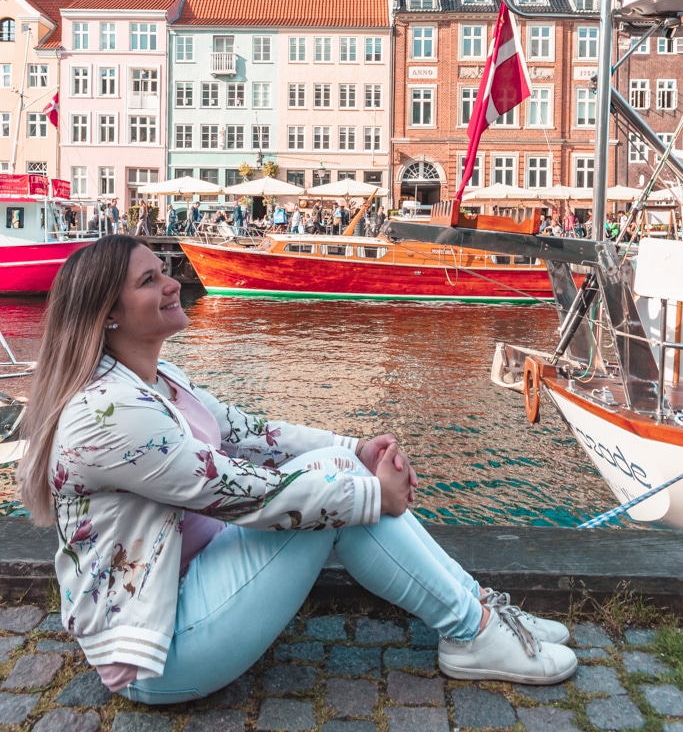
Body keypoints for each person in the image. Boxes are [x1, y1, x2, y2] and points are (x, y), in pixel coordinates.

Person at [18, 237, 577, 703]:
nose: (171, 283)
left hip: (188, 587)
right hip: (155, 651)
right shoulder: (107, 414)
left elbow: (251, 433)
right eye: (149, 281)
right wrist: (372, 495)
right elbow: (243, 494)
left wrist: (354, 448)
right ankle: (472, 631)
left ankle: (476, 613)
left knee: (336, 472)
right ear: (108, 314)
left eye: (164, 272)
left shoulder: (159, 381)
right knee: (337, 494)